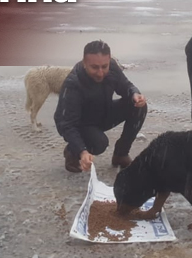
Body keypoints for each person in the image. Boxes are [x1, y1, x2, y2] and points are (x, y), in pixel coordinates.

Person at [54, 40, 148, 173]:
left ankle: (121, 154)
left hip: (103, 112)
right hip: (81, 123)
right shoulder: (73, 84)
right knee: (99, 144)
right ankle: (72, 152)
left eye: (104, 66)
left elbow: (126, 86)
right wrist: (82, 151)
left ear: (109, 60)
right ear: (84, 63)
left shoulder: (113, 67)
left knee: (138, 106)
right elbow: (67, 125)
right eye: (94, 67)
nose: (100, 72)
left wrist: (135, 94)